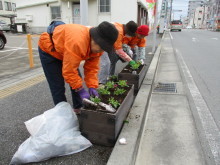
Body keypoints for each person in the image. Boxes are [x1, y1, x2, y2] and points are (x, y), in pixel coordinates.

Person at [38, 21, 118, 114]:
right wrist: (80, 89)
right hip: (49, 50)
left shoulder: (98, 49)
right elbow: (69, 71)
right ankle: (63, 116)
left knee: (77, 81)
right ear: (94, 39)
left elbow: (91, 69)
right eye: (101, 47)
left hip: (67, 52)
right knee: (58, 86)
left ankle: (78, 109)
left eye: (104, 48)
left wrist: (92, 86)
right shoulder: (77, 42)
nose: (101, 50)